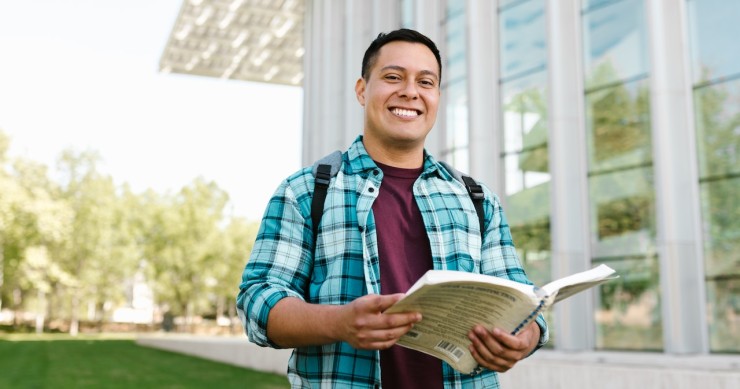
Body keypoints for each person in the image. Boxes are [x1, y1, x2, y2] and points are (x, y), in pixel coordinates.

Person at [237, 28, 548, 388]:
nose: (410, 92)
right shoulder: (305, 191)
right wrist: (339, 323)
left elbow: (523, 301)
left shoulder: (478, 199)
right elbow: (257, 300)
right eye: (393, 77)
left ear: (437, 97)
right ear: (361, 90)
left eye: (425, 82)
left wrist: (521, 340)